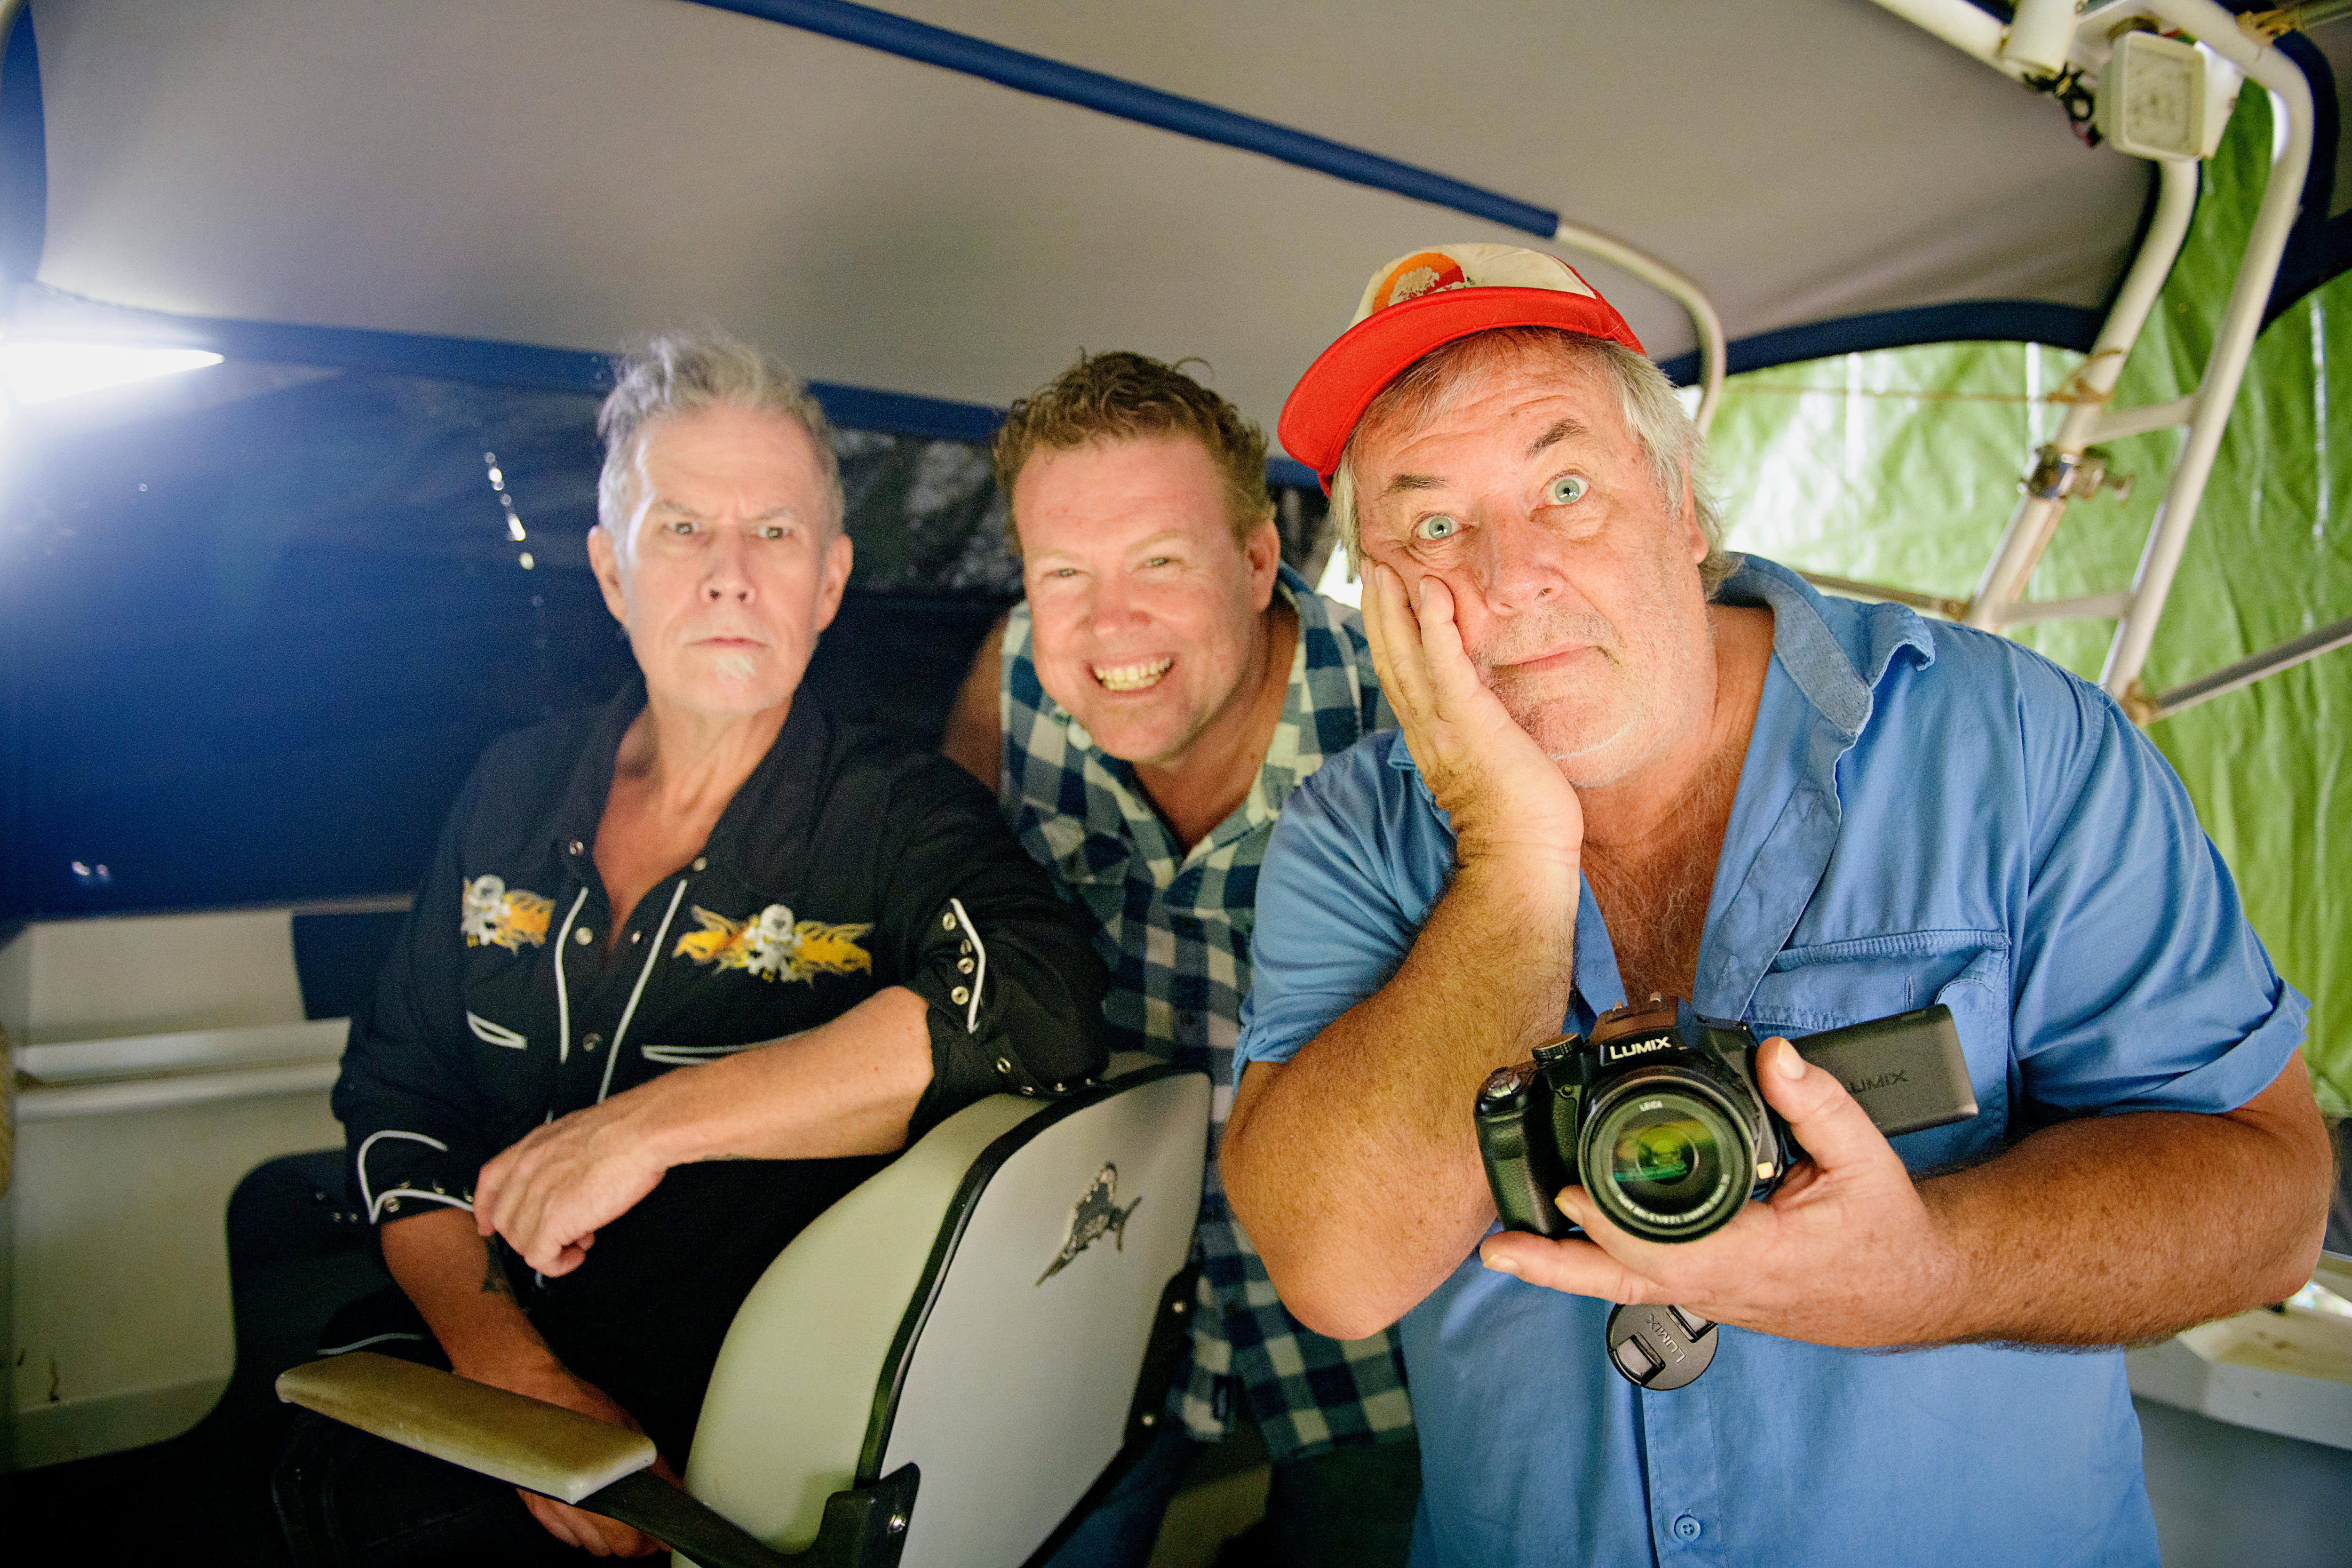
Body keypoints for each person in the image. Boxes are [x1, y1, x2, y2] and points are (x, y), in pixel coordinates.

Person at [1219, 244, 2332, 1566]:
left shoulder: (2016, 742)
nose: (1510, 577)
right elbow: (1339, 1272)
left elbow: (2270, 1199)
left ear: (1682, 505)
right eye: (1435, 528)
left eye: (1565, 487)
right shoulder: (1353, 829)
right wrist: (1513, 851)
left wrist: (1932, 1273)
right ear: (1380, 593)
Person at [299, 331, 1108, 1562]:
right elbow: (397, 1095)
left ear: (830, 583)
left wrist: (644, 1127)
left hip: (750, 1436)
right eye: (680, 529)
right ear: (611, 572)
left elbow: (1038, 1010)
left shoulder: (892, 814)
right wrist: (514, 1376)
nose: (731, 576)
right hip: (482, 1367)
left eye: (774, 533)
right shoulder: (509, 791)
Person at [939, 351, 1419, 1567]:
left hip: (1377, 1334)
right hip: (1088, 1287)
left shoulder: (1414, 723)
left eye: (1159, 560)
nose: (1110, 627)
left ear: (1261, 561)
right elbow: (937, 965)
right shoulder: (1010, 691)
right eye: (1065, 575)